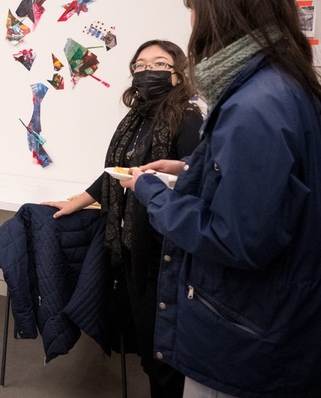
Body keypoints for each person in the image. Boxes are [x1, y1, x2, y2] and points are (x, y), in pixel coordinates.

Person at [122, 0, 321, 398]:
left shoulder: (254, 105)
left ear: (217, 14)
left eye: (193, 10)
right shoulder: (282, 86)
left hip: (242, 330)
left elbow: (235, 236)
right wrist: (191, 165)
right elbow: (265, 178)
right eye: (140, 65)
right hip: (274, 315)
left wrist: (153, 191)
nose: (191, 22)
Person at [43, 39, 203, 398]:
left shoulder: (188, 119)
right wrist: (78, 201)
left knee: (164, 351)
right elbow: (114, 174)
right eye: (141, 66)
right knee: (149, 344)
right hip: (133, 245)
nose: (149, 72)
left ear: (177, 75)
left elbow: (199, 180)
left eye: (160, 64)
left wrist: (155, 183)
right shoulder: (135, 119)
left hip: (165, 251)